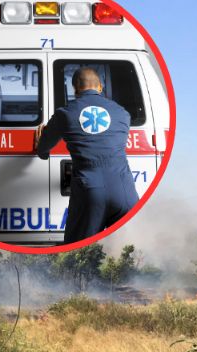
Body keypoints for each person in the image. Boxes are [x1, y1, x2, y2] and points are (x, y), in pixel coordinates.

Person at [35, 67, 139, 244]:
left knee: (80, 254)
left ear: (75, 89)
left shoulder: (65, 114)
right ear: (100, 87)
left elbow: (44, 149)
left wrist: (41, 146)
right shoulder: (123, 113)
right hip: (126, 194)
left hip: (90, 194)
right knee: (127, 254)